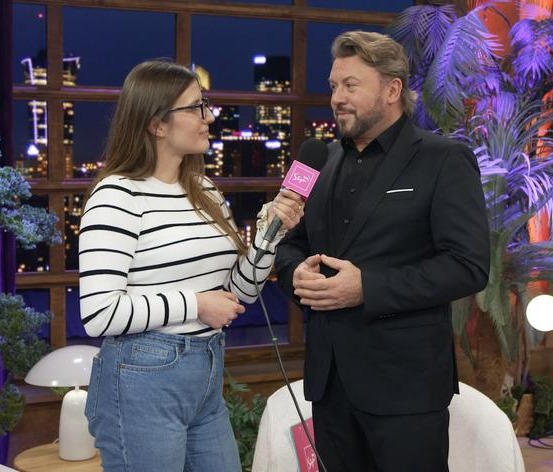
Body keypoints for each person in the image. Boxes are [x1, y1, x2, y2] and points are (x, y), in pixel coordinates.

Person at [275, 31, 490, 471]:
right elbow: (289, 243)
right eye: (333, 86)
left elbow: (467, 266)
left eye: (350, 85)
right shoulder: (318, 159)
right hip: (329, 385)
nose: (337, 98)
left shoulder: (444, 159)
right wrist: (296, 273)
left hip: (406, 388)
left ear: (392, 90)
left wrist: (366, 288)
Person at [79, 60, 305, 472]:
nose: (209, 116)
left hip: (206, 371)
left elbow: (239, 293)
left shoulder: (205, 191)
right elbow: (99, 313)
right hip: (141, 379)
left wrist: (269, 237)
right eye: (196, 107)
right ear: (156, 124)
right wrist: (197, 304)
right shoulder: (116, 196)